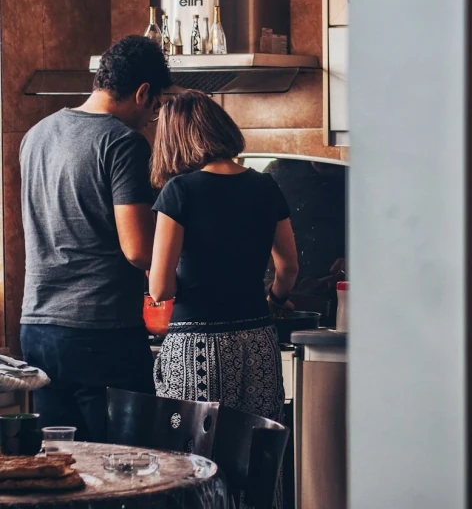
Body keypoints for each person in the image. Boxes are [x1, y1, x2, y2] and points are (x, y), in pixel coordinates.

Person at [20, 35, 173, 442]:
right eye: (155, 107)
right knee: (128, 469)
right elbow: (139, 250)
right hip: (99, 331)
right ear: (143, 93)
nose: (150, 119)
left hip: (38, 328)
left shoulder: (35, 136)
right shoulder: (122, 143)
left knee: (66, 466)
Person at [149, 90, 299, 428]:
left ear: (175, 140)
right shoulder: (265, 186)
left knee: (196, 458)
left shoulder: (180, 191)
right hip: (258, 339)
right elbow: (288, 267)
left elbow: (159, 289)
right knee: (256, 453)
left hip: (197, 346)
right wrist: (275, 300)